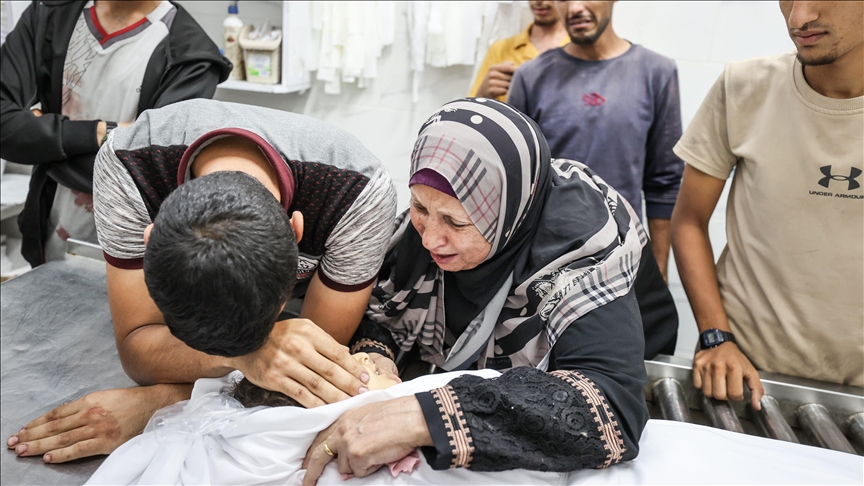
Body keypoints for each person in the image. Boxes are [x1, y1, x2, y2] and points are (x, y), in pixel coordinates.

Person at [301, 98, 679, 483]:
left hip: (632, 352)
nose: (430, 239)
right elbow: (382, 306)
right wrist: (375, 353)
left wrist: (426, 417)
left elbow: (610, 406)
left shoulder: (580, 249)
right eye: (419, 208)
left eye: (455, 223)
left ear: (508, 214)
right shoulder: (435, 213)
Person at [6, 99, 398, 464]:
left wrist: (160, 404)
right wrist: (246, 357)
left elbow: (308, 373)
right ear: (150, 238)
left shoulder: (358, 195)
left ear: (296, 233)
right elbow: (138, 342)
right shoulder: (128, 168)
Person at [670, 0, 863, 410]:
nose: (798, 18)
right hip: (744, 379)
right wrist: (716, 338)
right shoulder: (744, 85)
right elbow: (689, 221)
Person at [0, 0, 231, 267]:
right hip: (46, 235)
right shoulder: (49, 14)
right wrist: (102, 132)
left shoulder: (191, 56)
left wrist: (45, 143)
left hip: (131, 257)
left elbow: (148, 176)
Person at [508, 0, 684, 282]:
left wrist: (659, 269)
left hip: (622, 258)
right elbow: (515, 181)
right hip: (544, 263)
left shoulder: (657, 73)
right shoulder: (530, 77)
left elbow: (664, 183)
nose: (574, 8)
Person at [469, 0, 568, 101]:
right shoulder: (500, 50)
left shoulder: (576, 48)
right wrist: (482, 94)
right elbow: (469, 108)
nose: (538, 1)